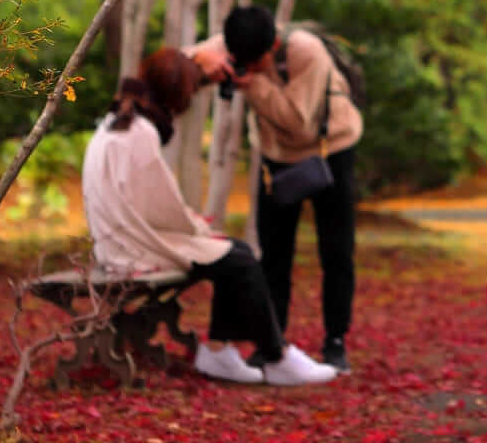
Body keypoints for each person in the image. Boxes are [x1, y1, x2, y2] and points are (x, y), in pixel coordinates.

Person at [80, 47, 338, 387]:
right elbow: (160, 208)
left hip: (120, 237)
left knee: (234, 254)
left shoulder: (119, 122)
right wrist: (197, 229)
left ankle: (223, 351)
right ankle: (277, 356)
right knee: (238, 259)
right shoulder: (139, 132)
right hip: (131, 246)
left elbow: (149, 202)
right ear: (173, 95)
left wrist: (196, 230)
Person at [219, 3, 363, 375]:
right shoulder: (239, 47)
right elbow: (195, 57)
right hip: (276, 159)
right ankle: (272, 341)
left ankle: (335, 342)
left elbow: (298, 122)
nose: (251, 67)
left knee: (336, 250)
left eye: (257, 61)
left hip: (331, 151)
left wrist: (254, 86)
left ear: (274, 45)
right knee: (274, 255)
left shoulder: (305, 51)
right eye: (243, 61)